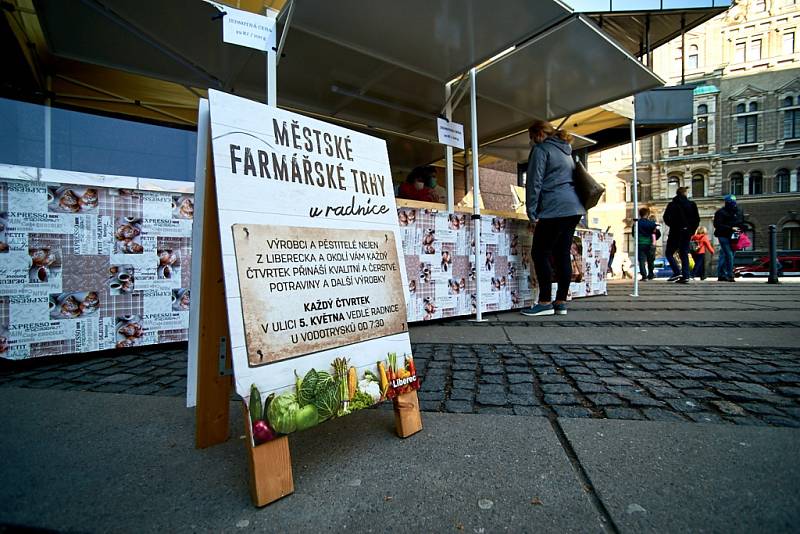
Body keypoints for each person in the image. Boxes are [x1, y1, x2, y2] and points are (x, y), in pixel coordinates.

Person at [520, 120, 585, 317]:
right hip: (574, 207)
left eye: (531, 137)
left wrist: (532, 212)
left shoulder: (542, 150)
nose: (531, 142)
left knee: (540, 252)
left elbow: (534, 182)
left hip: (554, 207)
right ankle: (561, 302)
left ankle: (545, 302)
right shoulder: (567, 150)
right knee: (562, 253)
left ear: (538, 134)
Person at [662, 186, 700, 283]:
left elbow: (666, 218)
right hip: (687, 232)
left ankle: (677, 271)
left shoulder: (672, 204)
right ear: (685, 193)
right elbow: (696, 219)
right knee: (684, 253)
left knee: (669, 253)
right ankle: (686, 275)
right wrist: (691, 230)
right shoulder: (692, 204)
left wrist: (673, 225)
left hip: (675, 231)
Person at [713, 194, 742, 282]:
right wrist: (731, 228)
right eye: (731, 202)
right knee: (729, 254)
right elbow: (717, 225)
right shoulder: (721, 212)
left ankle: (721, 274)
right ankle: (729, 275)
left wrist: (740, 228)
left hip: (734, 235)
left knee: (726, 255)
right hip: (723, 235)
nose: (733, 204)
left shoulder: (738, 211)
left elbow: (741, 222)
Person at [634, 207, 659, 281]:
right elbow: (657, 233)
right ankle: (650, 274)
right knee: (650, 260)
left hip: (640, 243)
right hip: (649, 244)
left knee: (641, 260)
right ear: (647, 214)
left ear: (640, 214)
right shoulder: (651, 224)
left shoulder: (637, 223)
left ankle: (644, 275)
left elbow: (633, 233)